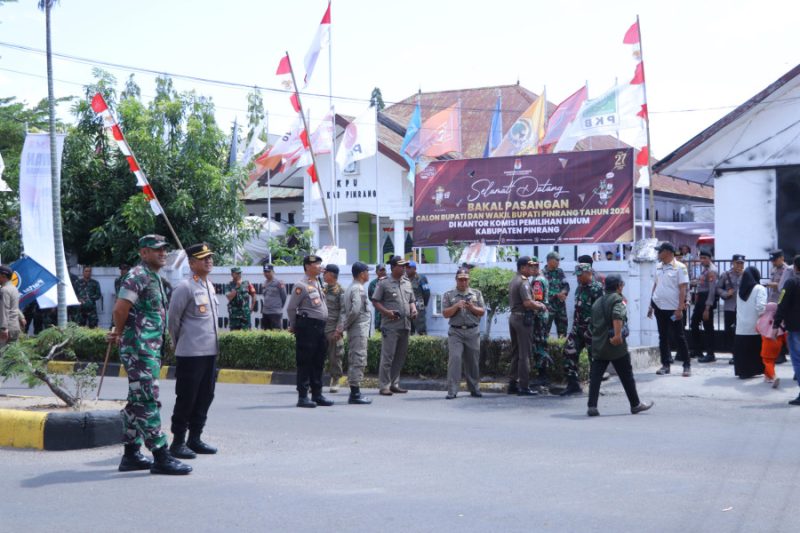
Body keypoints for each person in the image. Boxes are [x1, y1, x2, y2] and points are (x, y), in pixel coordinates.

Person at [111, 234, 191, 475]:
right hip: (139, 349)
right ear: (143, 253)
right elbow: (120, 308)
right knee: (147, 400)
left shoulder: (153, 276)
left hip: (148, 349)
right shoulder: (137, 275)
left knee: (137, 401)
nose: (162, 253)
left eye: (164, 249)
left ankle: (131, 454)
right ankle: (161, 455)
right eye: (156, 250)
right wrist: (121, 333)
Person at [167, 243, 220, 459]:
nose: (208, 260)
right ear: (191, 263)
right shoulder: (185, 287)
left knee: (205, 396)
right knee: (186, 398)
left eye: (210, 257)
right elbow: (173, 321)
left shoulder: (209, 285)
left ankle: (195, 438)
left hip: (210, 353)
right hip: (190, 354)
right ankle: (178, 442)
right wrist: (180, 343)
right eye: (203, 258)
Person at [587, 274, 653, 416]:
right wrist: (617, 336)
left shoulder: (597, 302)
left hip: (599, 344)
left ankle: (592, 406)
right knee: (626, 375)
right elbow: (617, 315)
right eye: (622, 285)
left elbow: (593, 323)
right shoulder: (618, 300)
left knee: (596, 376)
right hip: (615, 345)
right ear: (618, 286)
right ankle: (635, 404)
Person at [286, 255, 332, 408]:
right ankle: (303, 396)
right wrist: (294, 325)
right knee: (305, 362)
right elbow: (292, 308)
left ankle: (317, 394)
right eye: (316, 264)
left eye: (320, 263)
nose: (320, 266)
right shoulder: (301, 285)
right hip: (307, 327)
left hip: (320, 327)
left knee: (318, 361)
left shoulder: (318, 283)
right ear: (307, 266)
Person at [371, 255, 417, 396]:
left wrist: (413, 309)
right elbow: (375, 301)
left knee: (400, 356)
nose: (404, 268)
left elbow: (411, 300)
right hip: (390, 326)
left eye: (405, 266)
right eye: (401, 266)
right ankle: (384, 385)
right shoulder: (384, 283)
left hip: (405, 324)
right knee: (388, 356)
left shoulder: (406, 282)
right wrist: (387, 312)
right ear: (393, 267)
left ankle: (394, 384)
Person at [648, 241, 692, 377]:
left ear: (667, 252)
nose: (658, 253)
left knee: (679, 336)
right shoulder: (657, 267)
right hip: (659, 308)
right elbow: (656, 285)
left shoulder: (680, 267)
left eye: (659, 251)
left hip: (673, 310)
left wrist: (679, 309)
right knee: (663, 336)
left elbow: (682, 289)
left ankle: (686, 365)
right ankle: (665, 364)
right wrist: (651, 304)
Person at [442, 267, 485, 400]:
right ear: (456, 280)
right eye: (460, 279)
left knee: (472, 361)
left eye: (465, 279)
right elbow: (445, 313)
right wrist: (456, 306)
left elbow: (482, 311)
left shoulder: (476, 294)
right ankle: (452, 390)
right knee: (455, 359)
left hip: (472, 331)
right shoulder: (449, 295)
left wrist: (472, 307)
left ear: (469, 280)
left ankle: (474, 389)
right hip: (456, 332)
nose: (463, 282)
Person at [561, 263, 604, 396]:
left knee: (594, 359)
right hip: (577, 329)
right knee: (569, 352)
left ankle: (594, 388)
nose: (578, 278)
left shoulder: (597, 289)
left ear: (588, 273)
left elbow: (601, 311)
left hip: (592, 330)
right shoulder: (579, 288)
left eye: (580, 275)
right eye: (577, 276)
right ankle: (573, 385)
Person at [507, 256, 545, 396]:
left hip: (514, 318)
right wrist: (541, 306)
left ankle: (512, 384)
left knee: (516, 353)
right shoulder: (523, 282)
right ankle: (524, 386)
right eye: (529, 266)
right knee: (525, 354)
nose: (532, 269)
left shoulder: (514, 279)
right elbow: (528, 303)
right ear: (523, 267)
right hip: (523, 320)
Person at [342, 262, 372, 405]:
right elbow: (355, 311)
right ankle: (355, 394)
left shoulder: (352, 287)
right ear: (361, 274)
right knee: (358, 360)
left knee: (356, 358)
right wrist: (344, 326)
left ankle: (355, 392)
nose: (369, 274)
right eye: (367, 271)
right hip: (358, 330)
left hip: (357, 330)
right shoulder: (357, 289)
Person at [773, 255, 800, 405]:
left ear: (795, 268)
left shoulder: (791, 283)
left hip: (795, 328)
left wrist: (776, 325)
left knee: (797, 360)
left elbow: (781, 304)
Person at [733, 266, 766, 379]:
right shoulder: (759, 288)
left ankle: (743, 372)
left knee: (743, 350)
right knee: (754, 350)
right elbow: (761, 307)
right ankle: (754, 370)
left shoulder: (740, 290)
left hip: (741, 327)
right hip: (755, 326)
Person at [322, 264, 346, 393]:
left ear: (331, 274)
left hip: (333, 329)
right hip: (320, 328)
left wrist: (339, 329)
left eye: (325, 272)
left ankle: (335, 379)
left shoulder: (341, 291)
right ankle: (315, 381)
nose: (322, 274)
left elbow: (344, 312)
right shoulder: (322, 289)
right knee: (317, 356)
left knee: (335, 357)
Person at [691, 250, 719, 363]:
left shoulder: (712, 270)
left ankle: (710, 353)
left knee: (708, 327)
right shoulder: (705, 269)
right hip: (700, 299)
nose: (702, 260)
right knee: (694, 323)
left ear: (709, 258)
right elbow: (704, 283)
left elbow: (712, 290)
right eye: (701, 258)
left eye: (704, 258)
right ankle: (698, 350)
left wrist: (707, 308)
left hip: (707, 300)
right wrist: (696, 282)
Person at [717, 254, 745, 361]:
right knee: (729, 331)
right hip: (730, 306)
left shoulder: (746, 275)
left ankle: (741, 353)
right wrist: (725, 293)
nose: (739, 265)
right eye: (737, 263)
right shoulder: (726, 275)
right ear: (732, 263)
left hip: (743, 308)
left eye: (741, 263)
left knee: (741, 331)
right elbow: (718, 288)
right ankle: (734, 354)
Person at [529, 258, 552, 387]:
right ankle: (542, 373)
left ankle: (543, 375)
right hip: (542, 315)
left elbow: (537, 301)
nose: (531, 269)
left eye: (533, 267)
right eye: (530, 267)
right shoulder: (540, 278)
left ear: (537, 267)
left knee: (539, 344)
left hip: (539, 316)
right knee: (541, 343)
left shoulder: (537, 281)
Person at [757, 302, 784, 388]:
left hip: (767, 344)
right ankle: (767, 377)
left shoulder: (763, 319)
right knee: (771, 361)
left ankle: (773, 376)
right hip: (777, 344)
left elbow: (757, 329)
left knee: (767, 361)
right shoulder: (780, 320)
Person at [543, 251, 569, 337]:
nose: (559, 262)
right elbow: (541, 292)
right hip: (548, 307)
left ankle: (561, 350)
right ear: (549, 260)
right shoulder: (542, 274)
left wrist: (563, 292)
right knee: (545, 331)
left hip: (560, 307)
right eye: (557, 260)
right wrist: (556, 295)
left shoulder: (560, 272)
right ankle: (544, 349)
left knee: (563, 332)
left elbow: (566, 286)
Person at [0, 264, 24, 347]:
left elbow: (4, 309)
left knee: (3, 356)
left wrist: (3, 328)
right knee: (12, 355)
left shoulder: (4, 290)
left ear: (3, 276)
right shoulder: (14, 288)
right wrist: (21, 318)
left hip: (7, 328)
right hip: (14, 327)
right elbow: (14, 307)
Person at [406, 261, 430, 335]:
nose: (407, 269)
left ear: (415, 269)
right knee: (408, 329)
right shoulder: (403, 279)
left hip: (418, 305)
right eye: (406, 267)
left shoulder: (421, 278)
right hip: (407, 306)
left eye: (409, 268)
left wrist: (423, 304)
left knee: (421, 329)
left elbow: (427, 293)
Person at [260, 264, 286, 330]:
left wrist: (278, 307)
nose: (267, 273)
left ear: (273, 272)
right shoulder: (264, 283)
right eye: (265, 272)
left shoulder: (278, 283)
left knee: (276, 334)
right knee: (266, 334)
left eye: (269, 272)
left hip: (275, 312)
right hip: (265, 312)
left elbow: (284, 297)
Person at [368, 264, 387, 332]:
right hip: (378, 313)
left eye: (384, 270)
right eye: (381, 270)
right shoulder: (373, 284)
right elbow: (371, 297)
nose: (383, 272)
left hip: (389, 313)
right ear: (376, 272)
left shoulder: (390, 281)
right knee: (378, 333)